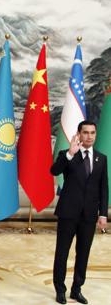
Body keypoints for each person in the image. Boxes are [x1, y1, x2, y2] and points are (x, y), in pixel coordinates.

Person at [50, 120, 108, 305]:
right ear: (79, 134)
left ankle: (77, 289)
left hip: (89, 215)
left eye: (92, 133)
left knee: (83, 253)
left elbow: (103, 188)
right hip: (68, 213)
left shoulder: (101, 158)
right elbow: (54, 170)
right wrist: (69, 153)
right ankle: (60, 289)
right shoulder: (67, 155)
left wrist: (103, 213)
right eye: (85, 133)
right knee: (62, 253)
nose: (89, 136)